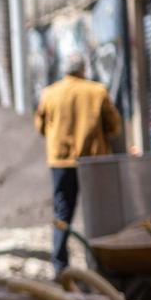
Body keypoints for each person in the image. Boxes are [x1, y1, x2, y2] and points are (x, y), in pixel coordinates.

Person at [35, 53, 123, 273]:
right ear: (83, 69)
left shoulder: (49, 93)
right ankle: (100, 263)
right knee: (98, 212)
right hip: (93, 162)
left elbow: (41, 126)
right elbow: (114, 126)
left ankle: (60, 264)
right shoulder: (97, 91)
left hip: (61, 162)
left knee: (62, 211)